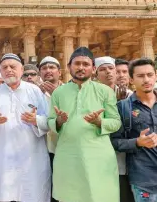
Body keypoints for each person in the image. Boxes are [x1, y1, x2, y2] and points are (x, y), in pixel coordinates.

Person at [48, 47, 122, 202]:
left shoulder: (105, 91)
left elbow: (116, 122)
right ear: (69, 67)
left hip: (99, 155)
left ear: (93, 69)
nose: (81, 67)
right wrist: (59, 121)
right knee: (69, 195)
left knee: (100, 195)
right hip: (68, 155)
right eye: (77, 64)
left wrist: (99, 121)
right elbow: (50, 121)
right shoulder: (58, 93)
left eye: (85, 64)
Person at [0, 53, 51, 202]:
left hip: (31, 155)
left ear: (21, 70)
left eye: (13, 67)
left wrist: (36, 120)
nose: (9, 70)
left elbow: (48, 120)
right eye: (5, 67)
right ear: (0, 71)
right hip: (2, 155)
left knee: (31, 193)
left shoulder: (34, 91)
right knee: (3, 194)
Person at [111, 58, 157, 202]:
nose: (146, 79)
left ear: (156, 75)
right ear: (131, 79)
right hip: (144, 180)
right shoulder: (123, 107)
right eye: (140, 76)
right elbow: (114, 142)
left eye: (150, 75)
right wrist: (137, 142)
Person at [95, 56, 134, 202]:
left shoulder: (129, 96)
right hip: (101, 150)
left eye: (111, 69)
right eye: (103, 70)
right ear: (96, 73)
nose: (109, 73)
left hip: (126, 152)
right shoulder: (92, 94)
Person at [38, 56, 62, 202]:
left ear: (59, 72)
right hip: (40, 148)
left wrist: (58, 95)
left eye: (52, 67)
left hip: (61, 148)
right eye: (44, 68)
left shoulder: (69, 90)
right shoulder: (34, 92)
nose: (48, 71)